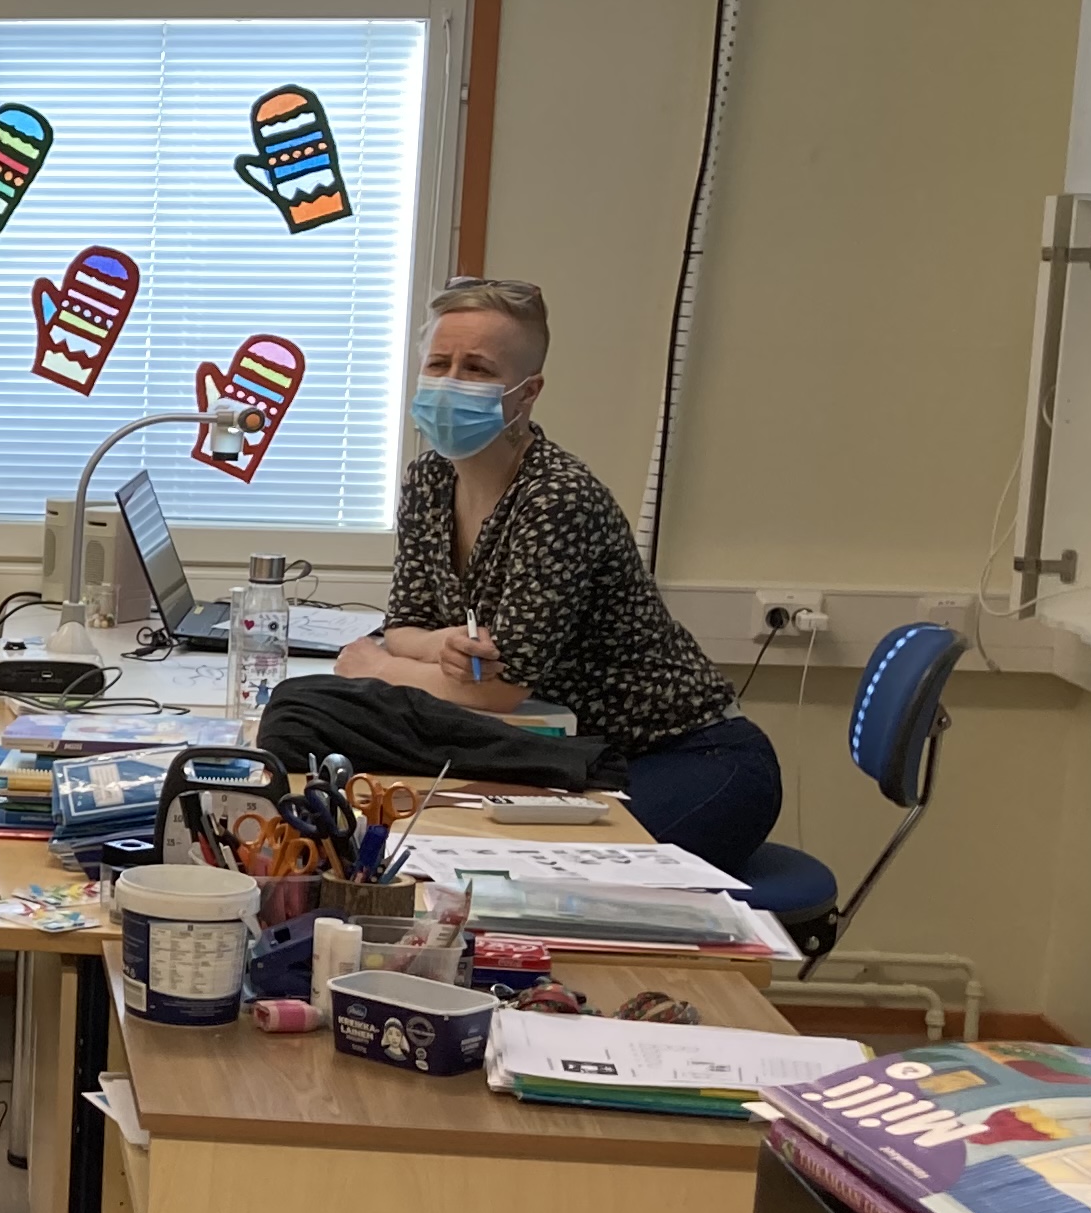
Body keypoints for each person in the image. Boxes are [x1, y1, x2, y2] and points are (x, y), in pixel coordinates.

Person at [333, 278, 786, 873]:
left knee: (529, 881)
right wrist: (437, 646)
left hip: (687, 758)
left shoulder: (556, 497)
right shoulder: (428, 481)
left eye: (476, 369)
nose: (450, 383)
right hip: (571, 760)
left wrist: (378, 669)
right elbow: (403, 625)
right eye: (438, 364)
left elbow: (499, 689)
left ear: (527, 392)